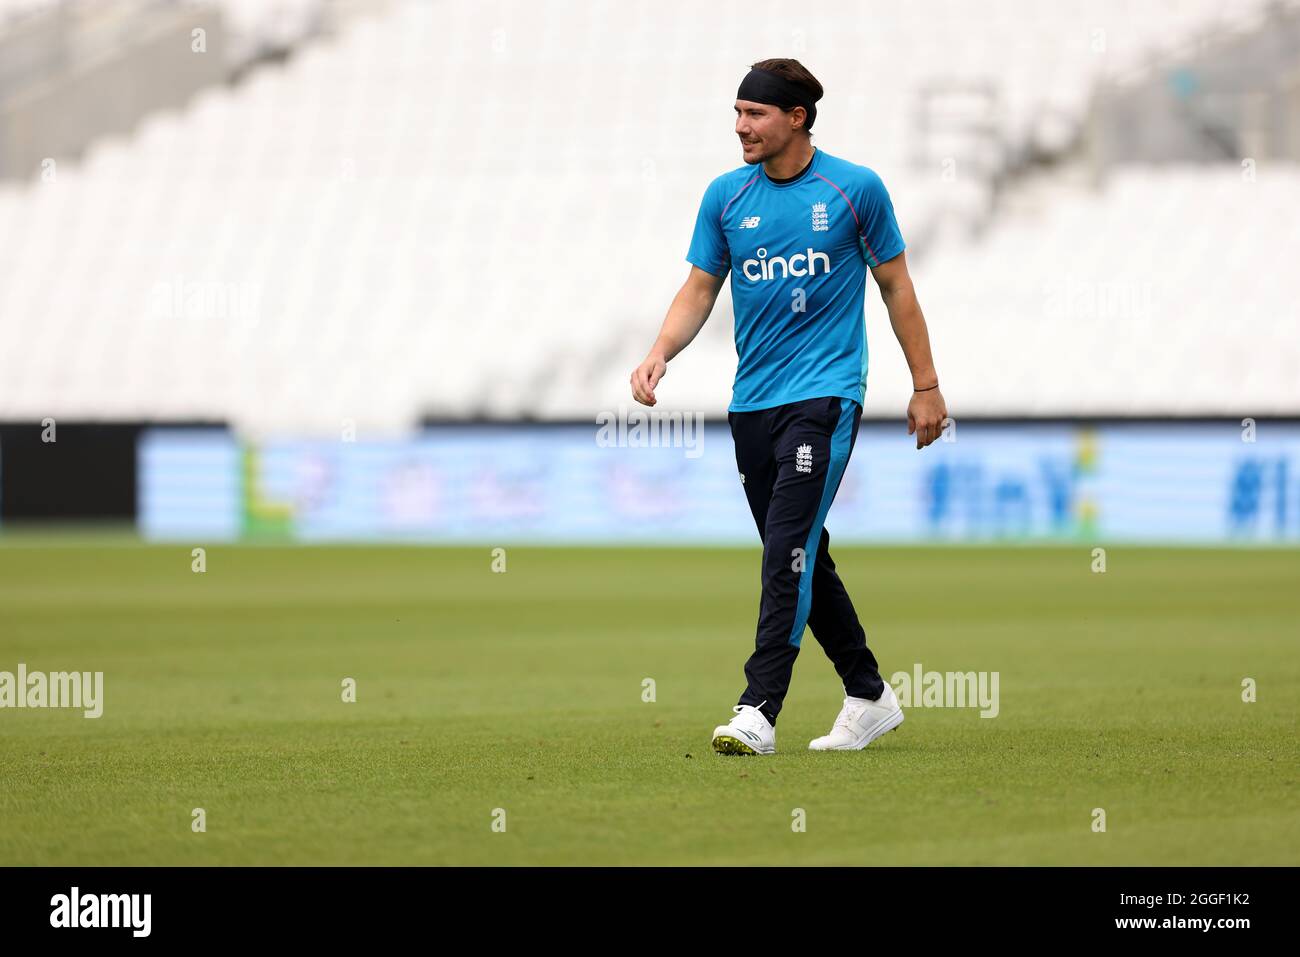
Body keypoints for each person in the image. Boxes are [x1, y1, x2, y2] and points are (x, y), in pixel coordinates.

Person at [629, 58, 947, 755]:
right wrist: (661, 350)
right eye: (737, 113)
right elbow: (700, 287)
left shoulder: (853, 189)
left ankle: (759, 706)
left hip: (826, 395)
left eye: (755, 114)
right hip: (753, 403)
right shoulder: (725, 197)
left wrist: (925, 385)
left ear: (797, 117)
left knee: (786, 549)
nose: (741, 126)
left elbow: (896, 287)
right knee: (804, 551)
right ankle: (867, 691)